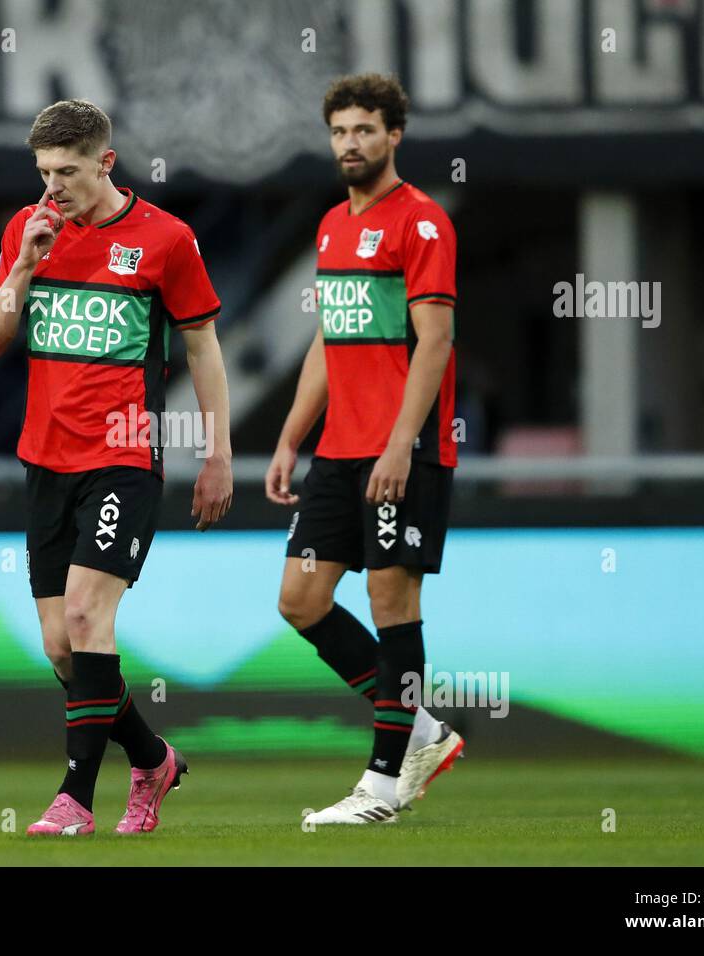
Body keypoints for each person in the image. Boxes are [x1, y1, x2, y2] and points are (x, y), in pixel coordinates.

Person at [0, 99, 233, 836]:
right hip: (45, 459)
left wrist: (217, 452)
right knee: (63, 648)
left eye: (68, 172)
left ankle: (74, 799)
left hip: (122, 454)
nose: (54, 187)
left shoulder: (166, 240)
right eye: (44, 173)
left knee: (89, 614)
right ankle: (152, 760)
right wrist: (24, 265)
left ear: (106, 163)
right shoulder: (30, 230)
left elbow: (202, 346)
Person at [267, 73, 464, 825]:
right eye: (340, 131)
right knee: (302, 598)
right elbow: (329, 339)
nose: (350, 143)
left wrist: (401, 445)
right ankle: (420, 730)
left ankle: (382, 787)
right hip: (340, 451)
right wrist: (290, 436)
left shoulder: (422, 224)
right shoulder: (329, 227)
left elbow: (436, 341)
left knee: (392, 601)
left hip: (400, 451)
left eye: (364, 130)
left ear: (394, 136)